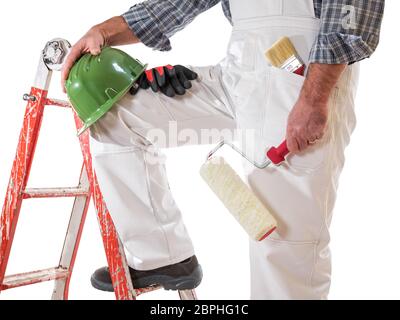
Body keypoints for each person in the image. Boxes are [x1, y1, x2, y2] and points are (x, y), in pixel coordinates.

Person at [61, 0, 385, 299]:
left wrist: (313, 100)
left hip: (301, 80)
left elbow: (351, 14)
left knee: (285, 244)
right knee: (120, 114)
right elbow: (176, 5)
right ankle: (163, 256)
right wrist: (103, 31)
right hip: (235, 78)